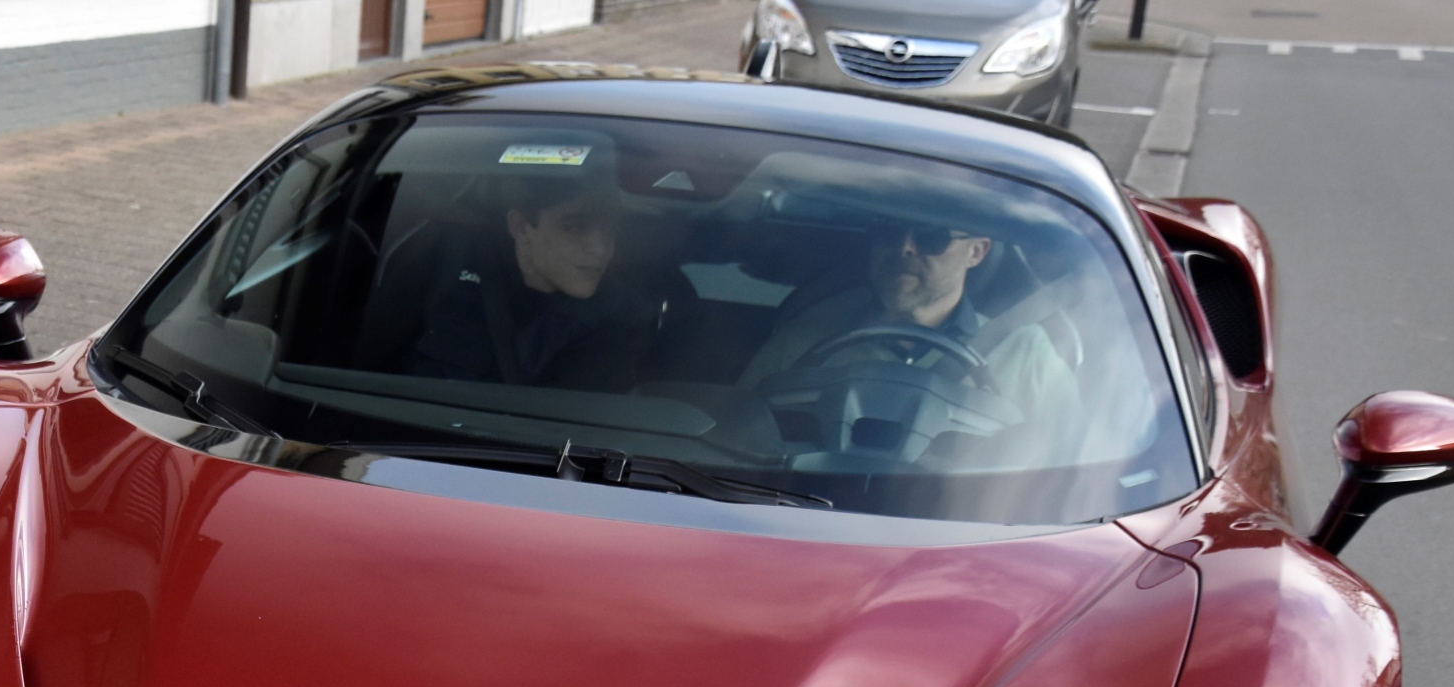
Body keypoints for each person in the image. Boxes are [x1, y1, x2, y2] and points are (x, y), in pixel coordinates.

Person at [734, 214, 1084, 456]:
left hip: (968, 536)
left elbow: (1073, 465)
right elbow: (735, 437)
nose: (904, 248)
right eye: (889, 233)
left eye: (932, 238)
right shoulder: (807, 336)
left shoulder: (1026, 352)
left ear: (976, 252)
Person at [401, 168, 652, 390]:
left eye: (611, 228)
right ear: (521, 227)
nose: (600, 249)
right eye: (575, 226)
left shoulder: (621, 317)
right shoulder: (449, 263)